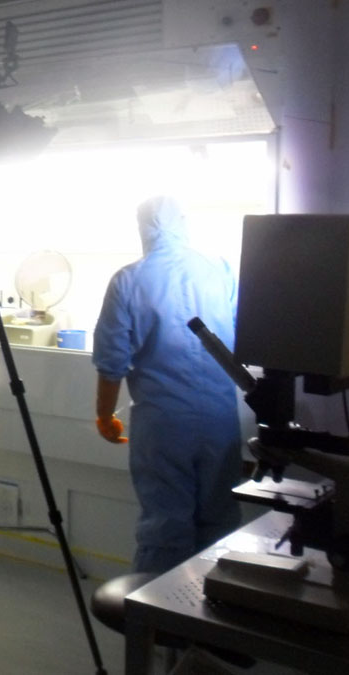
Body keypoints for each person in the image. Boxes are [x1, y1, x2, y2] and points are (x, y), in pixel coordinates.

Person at [92, 195, 242, 574]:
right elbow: (239, 336)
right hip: (222, 419)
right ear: (184, 223)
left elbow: (112, 362)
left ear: (142, 227)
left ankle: (161, 624)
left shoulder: (129, 280)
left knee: (166, 525)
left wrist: (104, 416)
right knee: (220, 521)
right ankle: (215, 617)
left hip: (164, 424)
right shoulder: (218, 269)